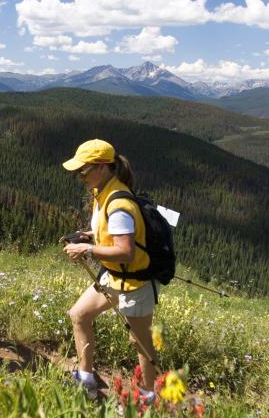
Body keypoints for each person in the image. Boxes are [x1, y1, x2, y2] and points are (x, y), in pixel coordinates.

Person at [61, 139, 158, 403]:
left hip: (135, 284)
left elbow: (126, 251)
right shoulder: (102, 192)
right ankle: (86, 380)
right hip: (115, 276)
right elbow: (112, 232)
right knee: (79, 314)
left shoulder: (118, 204)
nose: (79, 176)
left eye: (83, 170)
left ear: (103, 167)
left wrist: (86, 250)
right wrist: (90, 235)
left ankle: (146, 400)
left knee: (140, 343)